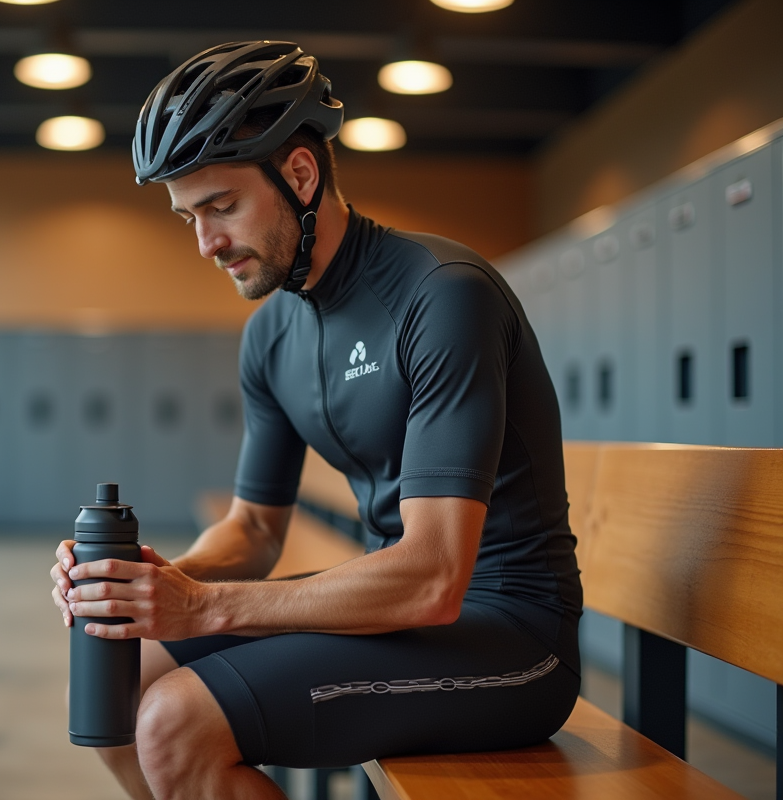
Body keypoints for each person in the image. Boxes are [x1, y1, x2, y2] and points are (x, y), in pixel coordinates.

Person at [49, 41, 582, 800]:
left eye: (221, 206)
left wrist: (201, 608)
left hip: (511, 634)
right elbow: (256, 530)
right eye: (187, 217)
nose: (206, 244)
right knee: (113, 685)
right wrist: (146, 586)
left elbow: (434, 578)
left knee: (174, 723)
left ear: (299, 173)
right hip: (400, 608)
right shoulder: (272, 333)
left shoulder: (443, 296)